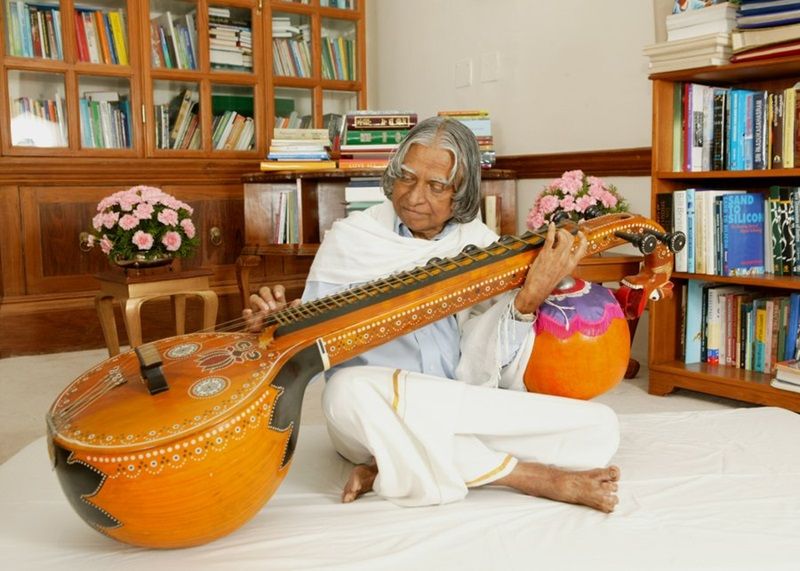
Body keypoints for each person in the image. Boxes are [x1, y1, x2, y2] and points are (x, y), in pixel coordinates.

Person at [244, 116, 620, 513]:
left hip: (455, 399)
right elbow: (307, 340)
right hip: (367, 410)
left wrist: (528, 299)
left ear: (461, 194)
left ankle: (388, 463)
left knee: (599, 429)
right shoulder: (353, 238)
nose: (413, 197)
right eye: (406, 177)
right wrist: (273, 325)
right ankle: (532, 477)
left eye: (436, 186)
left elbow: (494, 366)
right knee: (345, 391)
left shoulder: (479, 246)